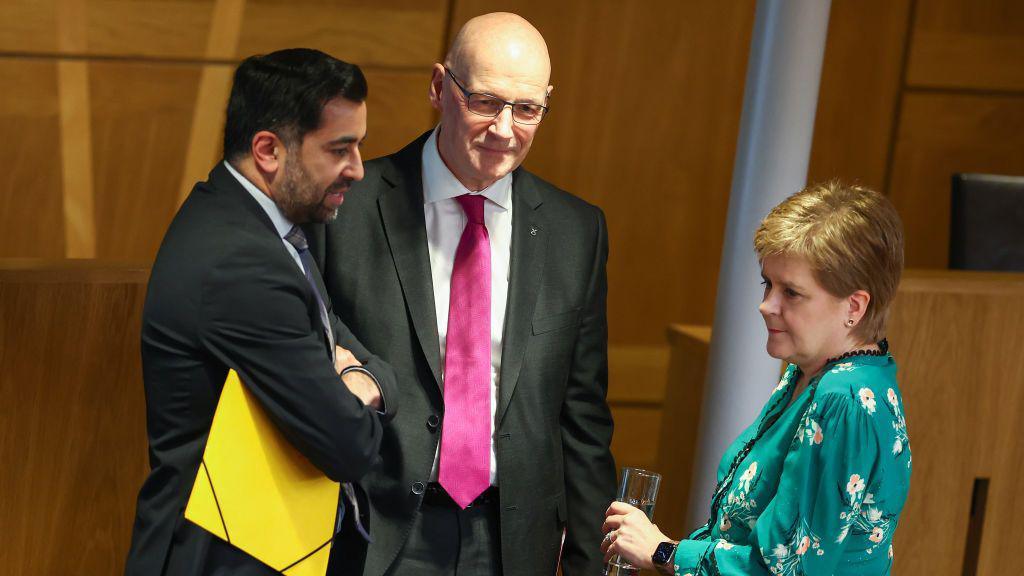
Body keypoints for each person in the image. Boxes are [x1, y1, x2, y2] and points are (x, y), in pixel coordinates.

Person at [305, 12, 616, 576]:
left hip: (511, 540)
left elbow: (583, 418)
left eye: (526, 110)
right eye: (485, 102)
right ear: (438, 87)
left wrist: (589, 563)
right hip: (371, 531)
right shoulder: (342, 206)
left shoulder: (577, 232)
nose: (504, 129)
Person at [124, 48, 397, 576]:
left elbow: (344, 342)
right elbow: (349, 445)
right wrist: (362, 385)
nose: (358, 170)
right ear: (269, 149)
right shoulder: (241, 263)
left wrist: (361, 376)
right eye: (340, 149)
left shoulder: (268, 228)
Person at [602, 181, 911, 575]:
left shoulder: (845, 398)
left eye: (792, 292)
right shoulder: (811, 372)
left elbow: (786, 570)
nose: (766, 305)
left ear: (854, 305)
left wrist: (664, 551)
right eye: (768, 283)